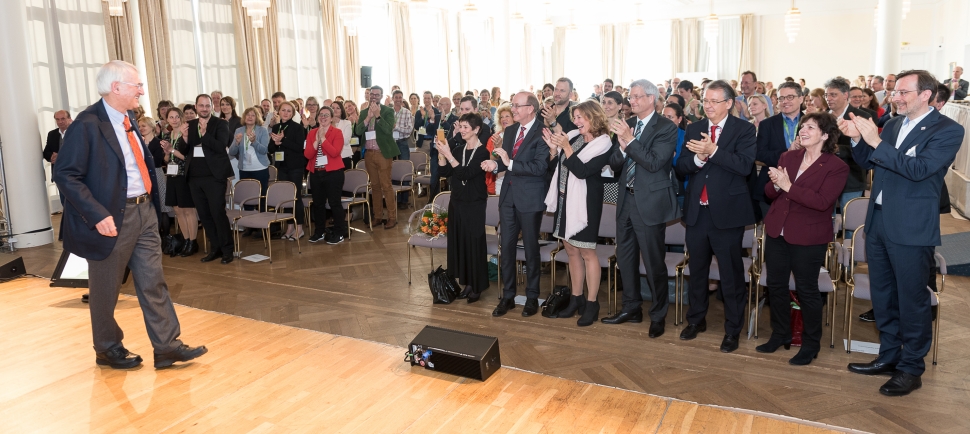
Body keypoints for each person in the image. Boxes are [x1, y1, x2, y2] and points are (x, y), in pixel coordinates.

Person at [53, 60, 207, 370]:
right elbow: (66, 174)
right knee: (106, 288)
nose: (141, 89)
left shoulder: (128, 118)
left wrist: (151, 205)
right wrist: (96, 214)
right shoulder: (87, 124)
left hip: (144, 213)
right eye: (136, 84)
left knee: (154, 281)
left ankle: (166, 346)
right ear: (116, 88)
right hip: (111, 219)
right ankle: (107, 347)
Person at [841, 69, 963, 396]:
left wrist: (875, 140)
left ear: (926, 95)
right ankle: (889, 355)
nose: (895, 97)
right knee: (883, 296)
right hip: (879, 222)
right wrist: (856, 138)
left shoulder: (948, 130)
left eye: (903, 92)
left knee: (912, 300)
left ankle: (912, 368)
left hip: (911, 227)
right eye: (895, 92)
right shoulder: (893, 124)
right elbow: (870, 162)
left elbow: (919, 170)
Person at [759, 112, 849, 365]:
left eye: (811, 127)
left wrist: (788, 186)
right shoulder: (789, 156)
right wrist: (776, 185)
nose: (803, 130)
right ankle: (780, 334)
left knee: (807, 290)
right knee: (775, 286)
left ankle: (810, 344)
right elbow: (769, 193)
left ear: (825, 134)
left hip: (809, 235)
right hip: (778, 231)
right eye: (802, 126)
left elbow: (822, 203)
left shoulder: (836, 166)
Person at [675, 80, 757, 353]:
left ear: (729, 103)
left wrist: (714, 151)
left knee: (730, 274)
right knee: (696, 270)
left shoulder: (743, 130)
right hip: (698, 211)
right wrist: (698, 160)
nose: (707, 106)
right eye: (705, 101)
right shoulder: (695, 128)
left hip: (727, 214)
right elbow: (682, 166)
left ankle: (733, 329)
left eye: (713, 101)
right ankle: (696, 320)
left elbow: (744, 167)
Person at [600, 79, 680, 337]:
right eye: (630, 97)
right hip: (625, 201)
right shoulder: (628, 125)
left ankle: (658, 315)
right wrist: (623, 147)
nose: (630, 101)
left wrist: (630, 141)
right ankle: (631, 308)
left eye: (635, 97)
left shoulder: (666, 127)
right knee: (625, 259)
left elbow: (655, 163)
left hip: (649, 204)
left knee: (654, 262)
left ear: (651, 99)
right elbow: (613, 163)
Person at [543, 100, 615, 326]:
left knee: (587, 252)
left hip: (584, 204)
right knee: (571, 250)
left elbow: (582, 172)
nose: (576, 122)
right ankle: (577, 298)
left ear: (594, 118)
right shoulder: (573, 136)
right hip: (565, 200)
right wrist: (554, 151)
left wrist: (564, 147)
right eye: (575, 117)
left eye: (581, 117)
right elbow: (559, 166)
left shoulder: (604, 144)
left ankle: (592, 303)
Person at [483, 91, 549, 317]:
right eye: (512, 105)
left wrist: (509, 163)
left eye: (517, 106)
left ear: (530, 108)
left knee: (531, 248)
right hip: (508, 197)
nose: (513, 109)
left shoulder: (543, 132)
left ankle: (532, 297)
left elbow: (540, 168)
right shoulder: (510, 131)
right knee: (507, 248)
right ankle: (508, 296)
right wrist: (495, 166)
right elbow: (505, 164)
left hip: (530, 198)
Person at [435, 113, 490, 303]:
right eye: (461, 127)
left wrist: (449, 154)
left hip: (474, 203)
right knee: (461, 243)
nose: (462, 130)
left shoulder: (483, 152)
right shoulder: (459, 150)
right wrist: (442, 154)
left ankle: (478, 285)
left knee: (474, 243)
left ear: (476, 130)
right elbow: (445, 172)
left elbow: (466, 174)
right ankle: (467, 282)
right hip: (457, 201)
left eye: (466, 127)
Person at [185, 94, 235, 264]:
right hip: (194, 178)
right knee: (205, 216)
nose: (204, 108)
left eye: (207, 105)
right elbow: (187, 150)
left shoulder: (220, 124)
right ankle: (215, 248)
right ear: (196, 106)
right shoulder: (190, 125)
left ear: (211, 107)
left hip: (215, 177)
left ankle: (228, 250)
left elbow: (221, 147)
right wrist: (182, 140)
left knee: (217, 213)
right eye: (201, 105)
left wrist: (205, 134)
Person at [752, 82, 804, 221]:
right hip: (771, 187)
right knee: (772, 236)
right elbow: (760, 154)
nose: (785, 101)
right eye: (781, 98)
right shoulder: (767, 124)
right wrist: (787, 151)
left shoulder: (813, 123)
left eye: (790, 97)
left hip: (804, 187)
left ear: (801, 98)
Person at [825, 77, 871, 220]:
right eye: (826, 95)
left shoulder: (861, 116)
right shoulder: (823, 117)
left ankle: (851, 243)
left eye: (833, 95)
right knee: (825, 220)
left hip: (852, 176)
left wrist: (839, 150)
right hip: (825, 177)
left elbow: (867, 148)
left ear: (845, 95)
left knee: (852, 222)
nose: (828, 99)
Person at [355, 86, 400, 229]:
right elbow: (358, 130)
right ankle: (378, 216)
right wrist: (368, 117)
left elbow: (388, 130)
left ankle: (392, 217)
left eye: (377, 94)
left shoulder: (388, 111)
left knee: (386, 185)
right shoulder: (363, 112)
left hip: (383, 153)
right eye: (372, 94)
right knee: (374, 186)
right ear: (368, 96)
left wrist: (378, 115)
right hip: (369, 153)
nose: (374, 96)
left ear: (381, 96)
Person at [158, 107, 199, 257]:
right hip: (172, 175)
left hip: (185, 175)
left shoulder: (187, 134)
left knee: (188, 210)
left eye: (177, 117)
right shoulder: (167, 135)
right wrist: (168, 152)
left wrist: (173, 150)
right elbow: (167, 160)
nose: (174, 120)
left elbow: (189, 158)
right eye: (171, 117)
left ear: (181, 118)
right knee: (177, 210)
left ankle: (193, 242)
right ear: (167, 119)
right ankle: (185, 239)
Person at [304, 106, 347, 245]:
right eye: (321, 115)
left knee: (334, 203)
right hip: (316, 173)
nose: (323, 117)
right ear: (317, 118)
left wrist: (323, 138)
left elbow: (335, 152)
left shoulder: (337, 132)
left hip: (333, 173)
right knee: (318, 204)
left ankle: (339, 233)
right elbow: (308, 155)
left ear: (332, 118)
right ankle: (319, 231)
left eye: (326, 115)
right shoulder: (311, 133)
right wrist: (316, 140)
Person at [269, 100, 308, 239]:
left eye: (288, 111)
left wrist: (283, 140)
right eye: (283, 110)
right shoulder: (275, 127)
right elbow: (270, 149)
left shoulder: (298, 128)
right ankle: (289, 227)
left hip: (295, 167)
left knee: (295, 197)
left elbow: (299, 148)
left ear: (293, 114)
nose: (285, 113)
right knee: (286, 198)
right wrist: (276, 143)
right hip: (282, 167)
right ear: (279, 111)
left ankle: (299, 228)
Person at [228, 107, 270, 215]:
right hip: (245, 168)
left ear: (257, 118)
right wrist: (236, 142)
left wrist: (254, 142)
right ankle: (250, 226)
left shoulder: (262, 131)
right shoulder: (239, 130)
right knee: (247, 197)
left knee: (261, 196)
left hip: (260, 168)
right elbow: (232, 152)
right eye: (248, 115)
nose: (250, 117)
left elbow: (265, 150)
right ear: (244, 117)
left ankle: (262, 226)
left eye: (253, 115)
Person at [140, 116, 173, 245]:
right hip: (143, 177)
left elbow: (157, 162)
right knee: (149, 208)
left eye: (144, 126)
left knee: (162, 208)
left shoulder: (158, 142)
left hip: (156, 175)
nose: (141, 128)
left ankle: (165, 237)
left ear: (152, 127)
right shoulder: (139, 143)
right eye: (140, 126)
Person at [662, 103, 689, 209]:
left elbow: (682, 164)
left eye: (670, 117)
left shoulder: (686, 136)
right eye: (664, 117)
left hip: (680, 187)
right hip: (659, 188)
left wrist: (671, 155)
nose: (666, 120)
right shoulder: (655, 136)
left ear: (679, 119)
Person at [487, 104, 514, 195]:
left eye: (507, 116)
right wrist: (497, 149)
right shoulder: (494, 137)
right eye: (501, 117)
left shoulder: (520, 136)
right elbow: (490, 160)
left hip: (517, 180)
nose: (504, 119)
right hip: (499, 180)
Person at [44, 110, 72, 181]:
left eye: (63, 119)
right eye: (57, 119)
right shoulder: (52, 134)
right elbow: (46, 152)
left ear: (69, 119)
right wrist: (52, 157)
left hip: (75, 174)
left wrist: (59, 158)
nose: (60, 122)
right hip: (59, 175)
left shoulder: (76, 132)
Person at [330, 101, 354, 169]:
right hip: (330, 157)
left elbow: (346, 141)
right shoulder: (326, 124)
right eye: (332, 108)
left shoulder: (347, 123)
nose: (335, 110)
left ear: (342, 111)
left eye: (338, 108)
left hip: (344, 156)